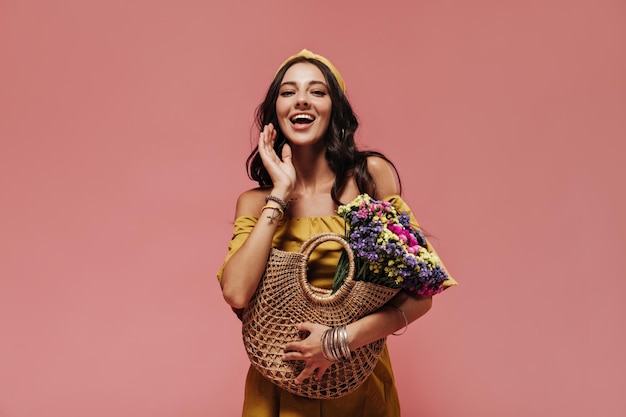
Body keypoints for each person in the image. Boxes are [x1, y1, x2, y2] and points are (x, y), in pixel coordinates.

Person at [217, 49, 454, 417]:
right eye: (288, 92)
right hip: (279, 388)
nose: (301, 101)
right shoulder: (255, 202)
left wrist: (336, 341)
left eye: (317, 91)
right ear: (274, 111)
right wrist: (279, 193)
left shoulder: (368, 178)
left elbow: (421, 295)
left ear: (335, 109)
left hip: (357, 387)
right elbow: (236, 292)